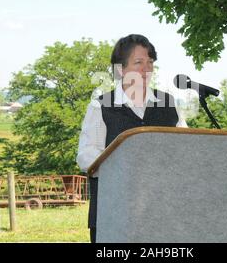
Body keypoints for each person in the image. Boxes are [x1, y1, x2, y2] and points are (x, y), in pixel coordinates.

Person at [76, 34, 187, 243]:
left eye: (150, 62)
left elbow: (185, 147)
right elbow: (86, 156)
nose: (147, 69)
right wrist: (125, 166)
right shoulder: (100, 106)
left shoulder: (168, 103)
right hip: (113, 214)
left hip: (163, 213)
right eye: (138, 62)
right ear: (121, 69)